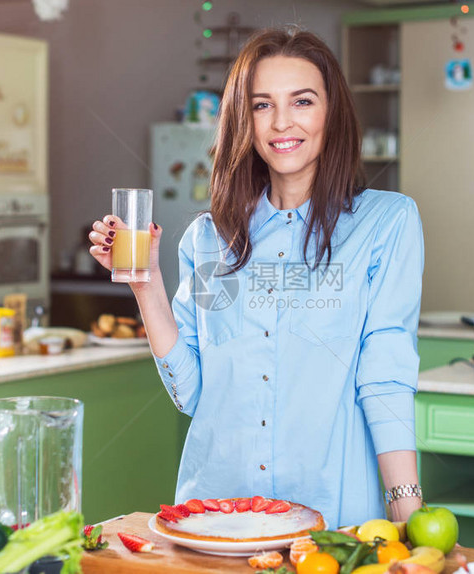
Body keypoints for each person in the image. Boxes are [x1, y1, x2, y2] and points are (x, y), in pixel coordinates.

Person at [88, 26, 424, 528]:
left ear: (332, 111)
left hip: (333, 522)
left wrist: (409, 518)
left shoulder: (386, 223)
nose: (282, 122)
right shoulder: (207, 238)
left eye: (303, 101)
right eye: (262, 105)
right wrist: (146, 284)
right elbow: (193, 395)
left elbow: (385, 376)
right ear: (244, 119)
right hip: (216, 519)